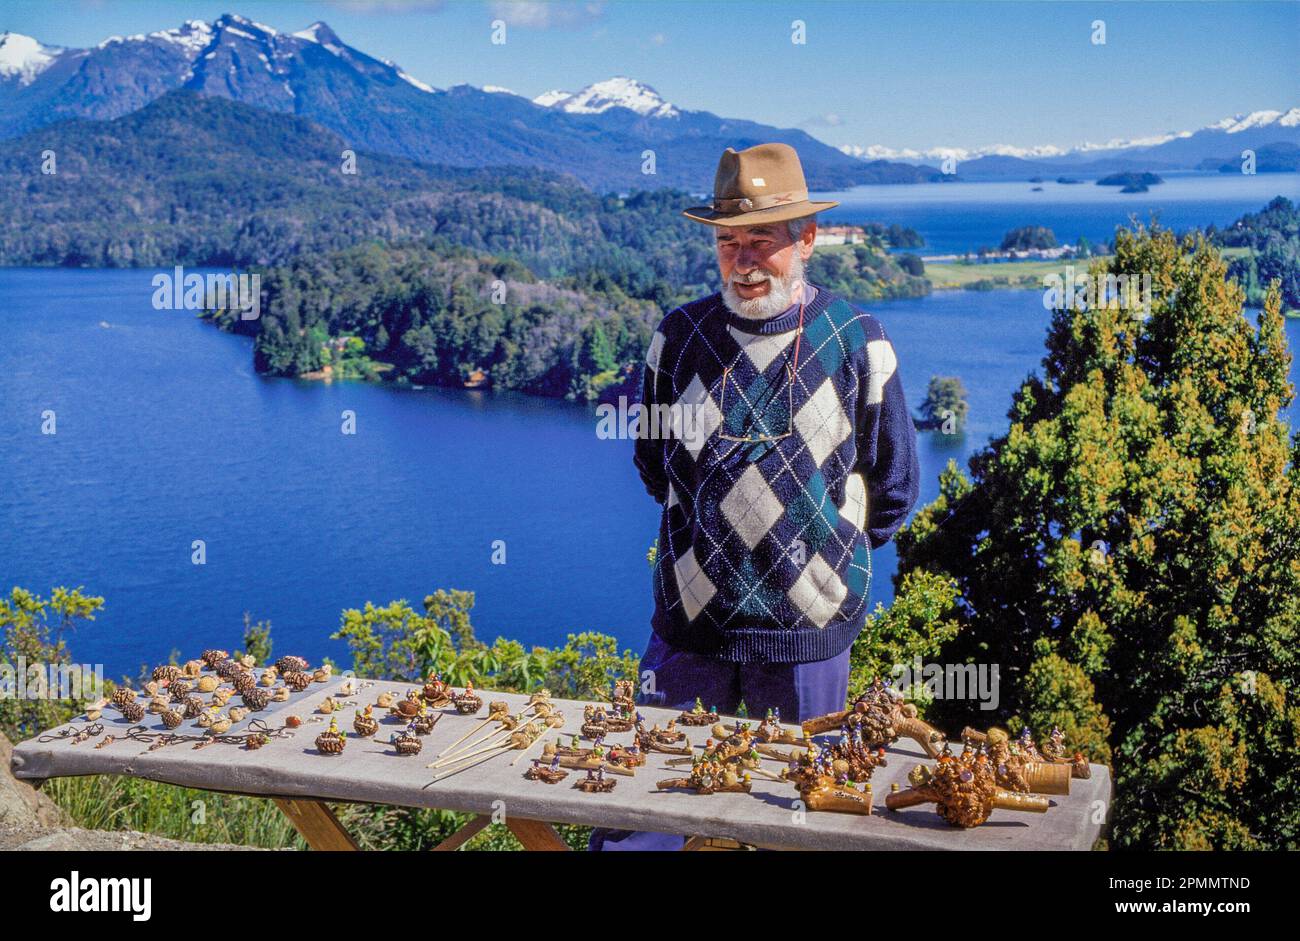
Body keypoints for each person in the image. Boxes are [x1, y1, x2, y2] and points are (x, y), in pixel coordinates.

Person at [590, 142, 919, 851]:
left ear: (805, 239)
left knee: (800, 819)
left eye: (761, 241)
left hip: (808, 641)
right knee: (645, 809)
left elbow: (894, 489)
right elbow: (653, 465)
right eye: (728, 241)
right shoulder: (677, 339)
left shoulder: (859, 342)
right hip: (690, 634)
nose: (743, 259)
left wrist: (814, 572)